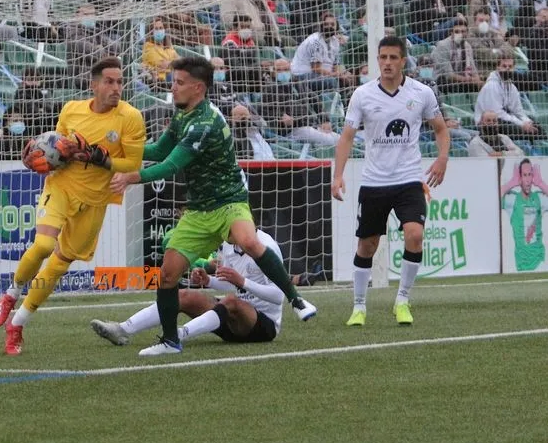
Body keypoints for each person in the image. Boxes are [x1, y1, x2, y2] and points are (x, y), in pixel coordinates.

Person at [110, 57, 316, 356]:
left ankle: (297, 301)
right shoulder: (182, 116)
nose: (173, 87)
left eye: (179, 82)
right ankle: (170, 341)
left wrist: (131, 176)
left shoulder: (205, 123)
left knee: (248, 240)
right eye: (174, 81)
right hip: (199, 211)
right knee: (168, 274)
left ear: (198, 87)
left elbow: (170, 166)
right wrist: (119, 148)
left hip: (230, 201)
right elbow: (158, 150)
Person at [0, 57, 146, 355]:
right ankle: (11, 293)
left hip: (94, 201)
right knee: (44, 245)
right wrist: (42, 155)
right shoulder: (71, 109)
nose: (116, 88)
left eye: (120, 81)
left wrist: (100, 158)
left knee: (59, 265)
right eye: (109, 81)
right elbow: (55, 145)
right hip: (60, 187)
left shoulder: (131, 117)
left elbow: (133, 164)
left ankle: (17, 325)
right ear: (94, 85)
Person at [331, 37, 450, 327]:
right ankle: (359, 306)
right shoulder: (362, 94)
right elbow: (346, 137)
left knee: (415, 235)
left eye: (393, 57)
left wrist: (442, 159)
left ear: (403, 61)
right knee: (367, 246)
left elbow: (441, 129)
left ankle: (402, 300)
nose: (387, 62)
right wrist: (337, 176)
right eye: (382, 57)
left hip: (409, 180)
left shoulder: (421, 93)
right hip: (374, 183)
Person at [90, 229, 284, 348]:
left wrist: (242, 282)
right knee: (183, 295)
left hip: (263, 326)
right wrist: (209, 281)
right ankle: (122, 329)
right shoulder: (227, 244)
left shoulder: (267, 247)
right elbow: (230, 282)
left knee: (232, 301)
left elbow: (278, 296)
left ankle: (177, 336)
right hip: (230, 318)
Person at [500, 159, 548, 272]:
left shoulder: (539, 198)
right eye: (524, 175)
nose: (527, 180)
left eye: (530, 175)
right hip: (521, 263)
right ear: (520, 178)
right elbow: (492, 196)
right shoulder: (512, 200)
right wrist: (512, 182)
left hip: (540, 261)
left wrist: (540, 183)